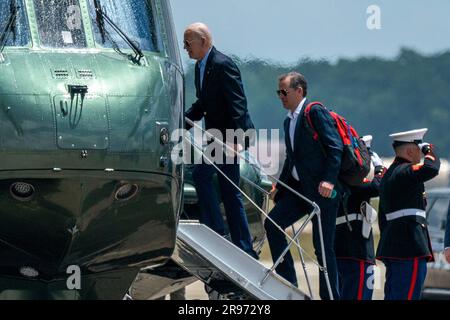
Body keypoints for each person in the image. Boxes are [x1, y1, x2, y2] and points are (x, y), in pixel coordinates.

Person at [266, 71, 343, 300]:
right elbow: (292, 159)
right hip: (300, 190)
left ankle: (330, 297)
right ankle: (288, 282)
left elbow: (335, 148)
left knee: (322, 249)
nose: (280, 96)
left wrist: (328, 180)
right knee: (273, 223)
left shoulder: (315, 112)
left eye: (284, 92)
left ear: (299, 91)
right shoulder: (288, 120)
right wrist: (280, 186)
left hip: (322, 191)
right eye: (278, 92)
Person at [183, 23, 257, 259]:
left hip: (229, 139)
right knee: (228, 191)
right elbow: (203, 104)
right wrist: (182, 120)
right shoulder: (199, 67)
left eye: (188, 43)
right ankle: (241, 246)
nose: (185, 48)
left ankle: (219, 233)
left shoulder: (223, 65)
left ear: (203, 41)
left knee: (203, 177)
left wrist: (237, 140)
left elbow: (238, 104)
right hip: (217, 139)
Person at [376, 128, 440, 300]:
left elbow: (382, 217)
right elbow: (431, 168)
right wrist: (430, 150)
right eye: (419, 149)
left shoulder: (391, 174)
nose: (421, 154)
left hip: (397, 245)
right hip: (408, 246)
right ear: (411, 150)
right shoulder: (404, 171)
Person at [335, 135, 386, 300]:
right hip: (357, 251)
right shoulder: (355, 183)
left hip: (340, 249)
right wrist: (379, 169)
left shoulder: (337, 179)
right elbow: (379, 186)